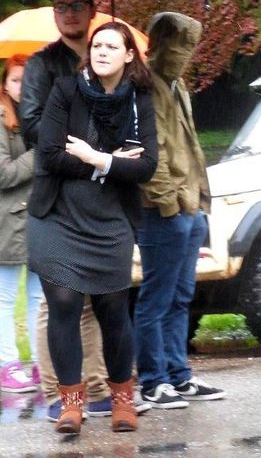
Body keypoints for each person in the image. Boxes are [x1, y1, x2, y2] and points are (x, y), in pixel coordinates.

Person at [27, 21, 157, 434]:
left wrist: (95, 158)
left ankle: (122, 402)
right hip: (57, 217)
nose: (101, 51)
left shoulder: (139, 99)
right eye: (96, 44)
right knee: (64, 303)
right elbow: (49, 155)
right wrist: (110, 162)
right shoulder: (66, 91)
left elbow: (146, 166)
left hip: (110, 220)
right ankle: (70, 405)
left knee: (113, 309)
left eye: (111, 46)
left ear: (129, 56)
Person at [20, 0, 129, 421]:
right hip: (59, 197)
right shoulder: (43, 65)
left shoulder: (112, 59)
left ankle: (101, 389)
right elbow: (32, 127)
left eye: (76, 6)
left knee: (103, 299)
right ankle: (57, 396)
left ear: (93, 9)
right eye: (60, 7)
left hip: (105, 202)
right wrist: (94, 152)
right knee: (59, 301)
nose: (68, 14)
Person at [135, 13, 223, 408]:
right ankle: (153, 381)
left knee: (180, 295)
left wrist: (199, 200)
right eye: (179, 44)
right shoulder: (143, 86)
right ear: (160, 44)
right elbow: (150, 152)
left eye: (190, 45)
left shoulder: (177, 85)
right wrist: (170, 205)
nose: (185, 53)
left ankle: (178, 376)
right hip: (162, 210)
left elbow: (189, 147)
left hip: (188, 206)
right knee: (156, 297)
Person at [0, 55, 42, 394]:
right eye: (16, 80)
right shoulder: (1, 119)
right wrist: (37, 153)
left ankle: (40, 362)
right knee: (5, 297)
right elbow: (3, 174)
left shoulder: (35, 117)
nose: (22, 86)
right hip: (7, 223)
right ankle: (7, 365)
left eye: (28, 80)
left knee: (39, 296)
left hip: (39, 219)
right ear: (4, 84)